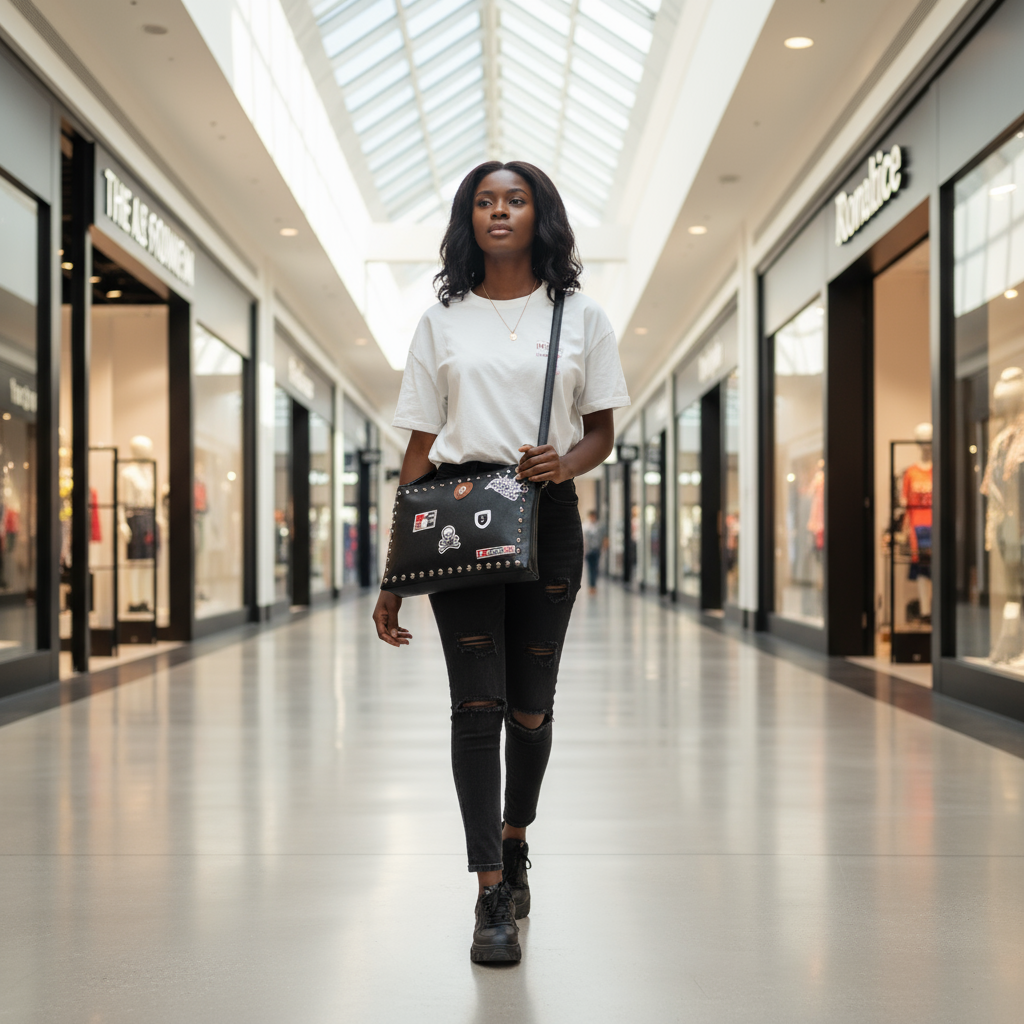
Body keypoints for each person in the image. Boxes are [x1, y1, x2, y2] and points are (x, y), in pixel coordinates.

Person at [372, 161, 629, 963]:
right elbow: (417, 447)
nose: (499, 211)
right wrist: (393, 573)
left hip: (547, 517)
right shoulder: (440, 320)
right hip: (459, 519)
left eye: (514, 200)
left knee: (530, 709)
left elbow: (602, 432)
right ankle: (489, 892)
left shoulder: (581, 315)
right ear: (467, 218)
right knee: (476, 708)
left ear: (538, 214)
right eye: (485, 201)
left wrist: (568, 463)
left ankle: (516, 839)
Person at [583, 509, 605, 594]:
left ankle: (593, 585)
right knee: (590, 568)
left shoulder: (599, 526)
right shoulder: (585, 526)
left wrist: (602, 548)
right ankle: (591, 585)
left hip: (596, 550)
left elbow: (603, 538)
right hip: (588, 551)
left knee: (595, 568)